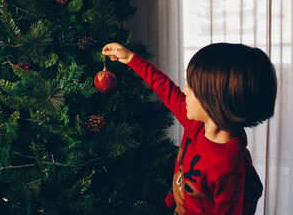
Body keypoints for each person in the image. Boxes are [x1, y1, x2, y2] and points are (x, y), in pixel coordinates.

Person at [102, 42, 277, 215]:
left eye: (193, 87)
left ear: (215, 101)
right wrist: (131, 59)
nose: (185, 90)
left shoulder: (233, 170)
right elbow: (165, 88)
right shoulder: (197, 125)